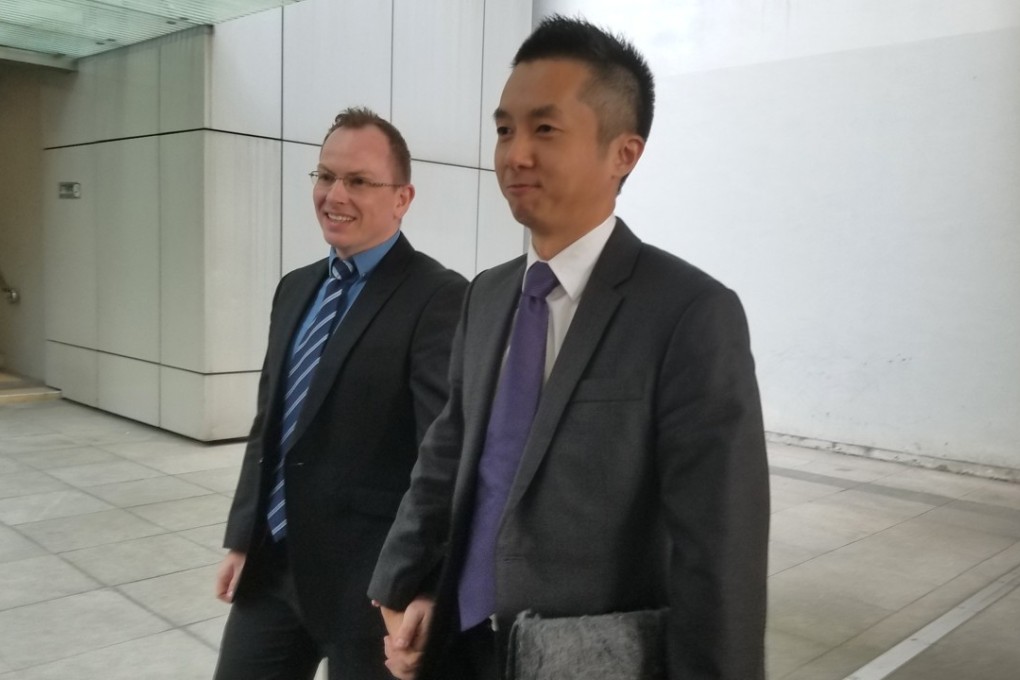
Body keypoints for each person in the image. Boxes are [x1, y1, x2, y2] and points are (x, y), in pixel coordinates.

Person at [368, 15, 770, 680]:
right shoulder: (488, 296)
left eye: (544, 129)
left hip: (583, 660)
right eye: (504, 128)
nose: (514, 153)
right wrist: (401, 579)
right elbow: (449, 451)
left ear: (624, 153)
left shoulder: (690, 315)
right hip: (459, 646)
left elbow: (718, 555)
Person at [212, 107, 467, 680]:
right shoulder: (295, 288)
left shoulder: (439, 298)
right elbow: (269, 425)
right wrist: (243, 536)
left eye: (358, 181)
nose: (335, 194)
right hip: (275, 570)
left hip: (371, 587)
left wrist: (424, 586)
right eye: (325, 176)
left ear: (403, 198)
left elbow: (442, 455)